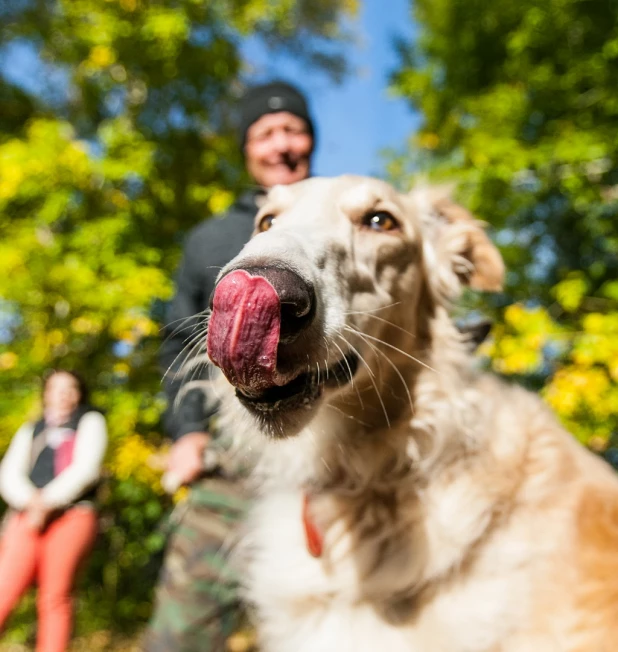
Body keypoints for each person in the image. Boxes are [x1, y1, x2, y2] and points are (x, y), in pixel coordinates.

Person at [144, 80, 316, 652]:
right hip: (234, 464)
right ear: (247, 148)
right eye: (266, 133)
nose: (281, 144)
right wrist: (188, 431)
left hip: (333, 469)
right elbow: (179, 346)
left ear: (310, 140)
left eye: (293, 129)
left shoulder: (342, 216)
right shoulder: (210, 240)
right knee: (179, 636)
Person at [0, 369, 108, 652]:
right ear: (46, 393)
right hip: (26, 516)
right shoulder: (31, 429)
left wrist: (47, 502)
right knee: (4, 590)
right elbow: (9, 474)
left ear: (79, 393)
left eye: (70, 387)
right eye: (56, 388)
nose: (63, 394)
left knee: (55, 597)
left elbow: (86, 470)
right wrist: (30, 503)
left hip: (72, 515)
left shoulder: (90, 421)